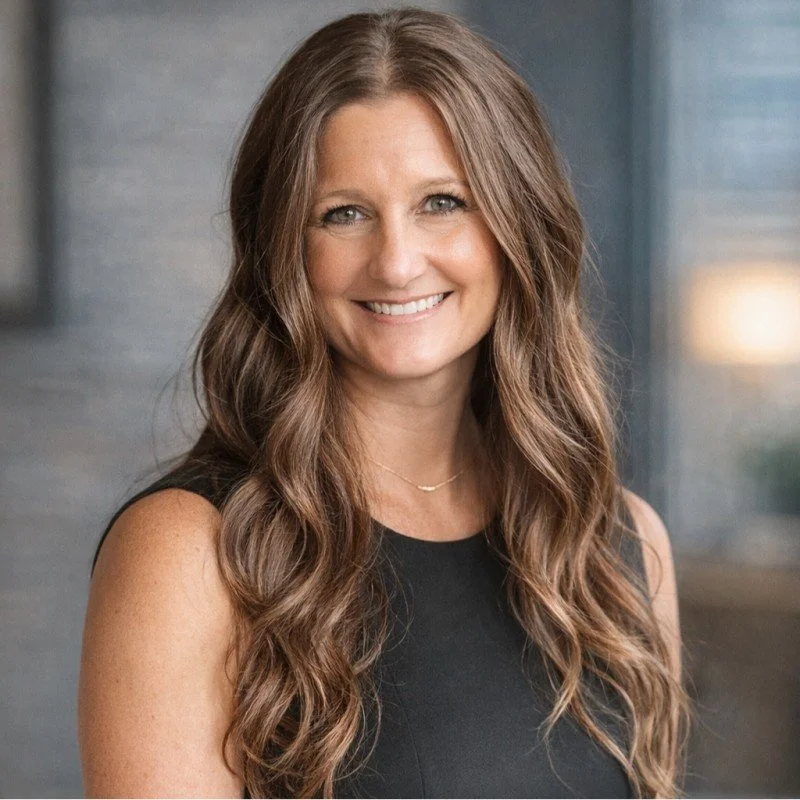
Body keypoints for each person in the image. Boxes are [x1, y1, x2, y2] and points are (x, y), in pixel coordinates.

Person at [78, 7, 690, 798]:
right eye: (345, 214)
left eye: (443, 202)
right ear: (284, 253)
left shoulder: (621, 546)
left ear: (516, 225)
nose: (398, 263)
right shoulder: (190, 551)